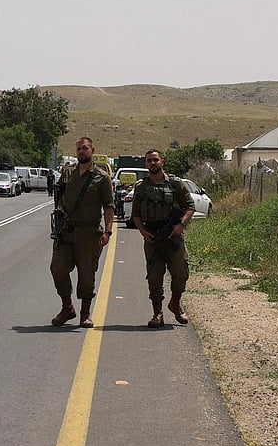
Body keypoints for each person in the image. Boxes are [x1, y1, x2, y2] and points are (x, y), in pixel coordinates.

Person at [50, 136, 115, 328]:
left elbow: (109, 206)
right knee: (58, 269)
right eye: (78, 149)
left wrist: (108, 232)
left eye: (84, 148)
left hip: (89, 233)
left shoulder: (101, 178)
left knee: (87, 275)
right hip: (66, 231)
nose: (81, 152)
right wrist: (61, 207)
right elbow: (59, 194)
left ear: (92, 151)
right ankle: (67, 307)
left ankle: (85, 314)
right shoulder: (68, 172)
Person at [131, 149, 195, 328]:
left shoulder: (175, 184)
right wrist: (143, 232)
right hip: (153, 238)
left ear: (162, 162)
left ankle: (175, 303)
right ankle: (157, 313)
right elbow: (135, 214)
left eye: (156, 160)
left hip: (173, 237)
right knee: (154, 277)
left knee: (181, 273)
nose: (153, 163)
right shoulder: (142, 187)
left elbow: (190, 206)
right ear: (145, 164)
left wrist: (181, 224)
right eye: (149, 161)